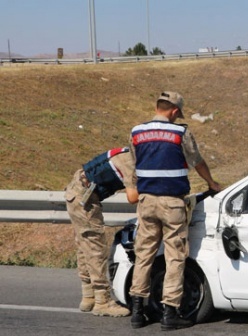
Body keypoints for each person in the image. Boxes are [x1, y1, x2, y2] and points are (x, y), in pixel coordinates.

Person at [128, 91, 222, 331]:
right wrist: (212, 184)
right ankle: (170, 312)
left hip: (146, 201)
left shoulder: (137, 132)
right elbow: (197, 161)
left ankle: (137, 312)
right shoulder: (180, 132)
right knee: (175, 256)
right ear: (175, 111)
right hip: (172, 204)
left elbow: (133, 165)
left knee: (144, 255)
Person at [64, 147, 139, 317]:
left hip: (77, 192)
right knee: (95, 249)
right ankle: (102, 301)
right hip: (85, 198)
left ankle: (89, 296)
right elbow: (132, 197)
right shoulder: (131, 162)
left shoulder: (128, 152)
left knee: (84, 246)